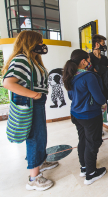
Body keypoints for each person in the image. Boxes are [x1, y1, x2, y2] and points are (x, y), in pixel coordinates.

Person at [2, 31, 58, 191]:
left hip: (37, 103)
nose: (42, 45)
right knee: (35, 138)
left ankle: (40, 162)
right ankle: (34, 177)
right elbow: (8, 83)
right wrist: (34, 94)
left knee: (40, 136)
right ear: (31, 42)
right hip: (32, 103)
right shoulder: (22, 59)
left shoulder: (32, 60)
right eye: (39, 42)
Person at [63, 49, 107, 185]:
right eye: (88, 60)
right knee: (92, 142)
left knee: (82, 139)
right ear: (83, 62)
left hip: (76, 114)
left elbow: (71, 96)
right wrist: (104, 103)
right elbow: (99, 98)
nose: (90, 62)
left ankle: (84, 167)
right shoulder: (89, 76)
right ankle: (91, 173)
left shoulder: (71, 75)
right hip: (90, 115)